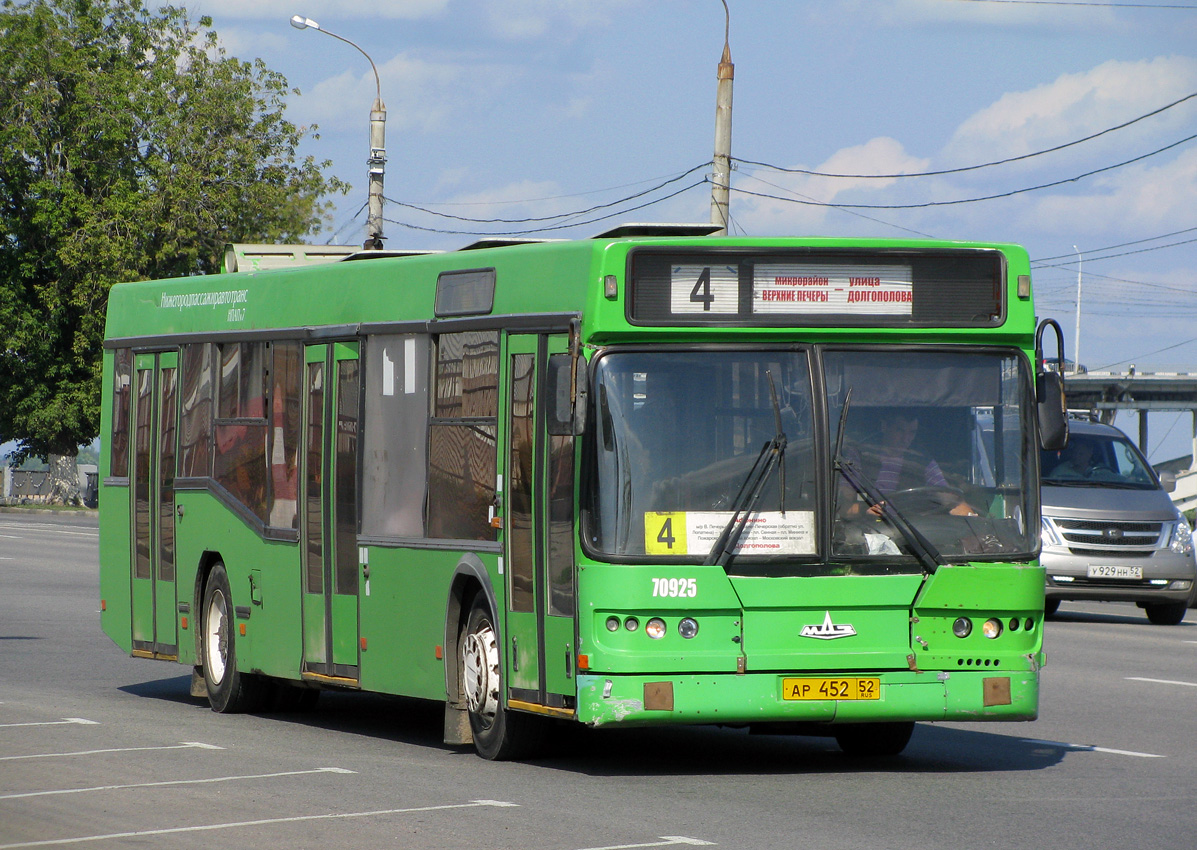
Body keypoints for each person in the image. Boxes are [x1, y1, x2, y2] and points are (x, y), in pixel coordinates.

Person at [841, 409, 974, 517]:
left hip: (913, 532)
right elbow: (843, 505)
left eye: (912, 432)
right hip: (868, 532)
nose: (906, 439)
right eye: (900, 431)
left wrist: (971, 517)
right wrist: (865, 511)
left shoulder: (922, 461)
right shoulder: (860, 456)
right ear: (885, 426)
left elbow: (949, 499)